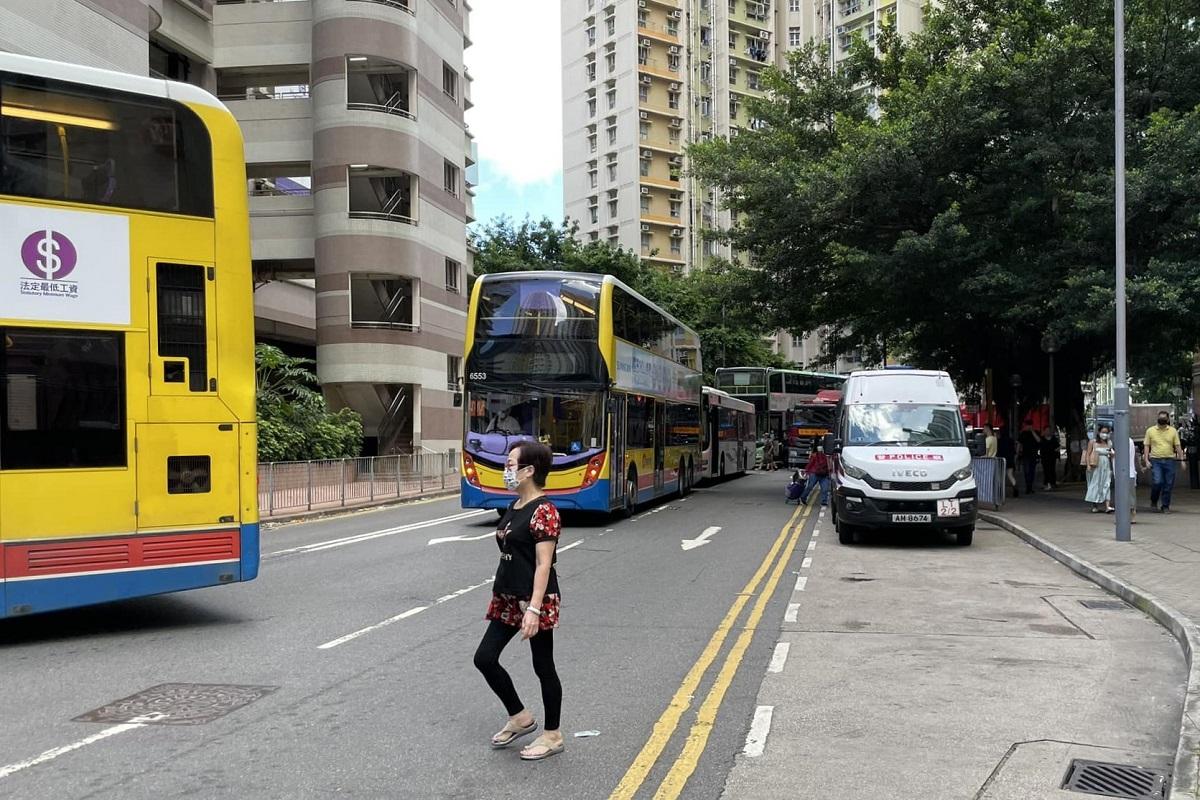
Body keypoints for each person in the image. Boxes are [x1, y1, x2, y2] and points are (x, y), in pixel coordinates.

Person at [473, 442, 565, 761]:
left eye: (511, 463)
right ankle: (521, 717)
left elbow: (543, 563)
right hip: (508, 596)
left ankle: (552, 735)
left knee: (543, 666)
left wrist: (535, 608)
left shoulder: (545, 511)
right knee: (484, 658)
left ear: (529, 471)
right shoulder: (515, 507)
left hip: (534, 599)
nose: (506, 469)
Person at [1143, 411, 1184, 513]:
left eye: (1164, 418)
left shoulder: (1173, 431)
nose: (1162, 420)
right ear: (1157, 418)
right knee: (1157, 481)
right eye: (1160, 418)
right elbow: (1147, 446)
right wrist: (1146, 460)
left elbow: (1177, 446)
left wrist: (1182, 459)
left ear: (1168, 420)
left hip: (1170, 460)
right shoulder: (1150, 431)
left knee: (1168, 484)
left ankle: (1165, 506)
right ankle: (1154, 500)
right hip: (1155, 460)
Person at [1083, 424, 1115, 513]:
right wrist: (1088, 465)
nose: (1105, 434)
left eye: (1106, 432)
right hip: (1095, 465)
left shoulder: (1109, 443)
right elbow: (1088, 454)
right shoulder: (1092, 442)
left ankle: (1107, 506)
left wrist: (1112, 455)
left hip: (1106, 466)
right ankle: (1095, 505)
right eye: (1103, 432)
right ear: (1099, 432)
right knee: (1095, 484)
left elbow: (1111, 454)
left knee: (1106, 484)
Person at [800, 440, 831, 506]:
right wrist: (806, 471)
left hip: (824, 474)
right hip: (814, 473)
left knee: (825, 489)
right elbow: (810, 464)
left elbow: (829, 465)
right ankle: (803, 498)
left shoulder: (827, 456)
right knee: (810, 486)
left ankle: (824, 502)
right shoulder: (815, 456)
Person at [1017, 421, 1041, 495]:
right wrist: (1017, 452)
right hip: (1025, 455)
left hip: (1033, 455)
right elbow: (1019, 443)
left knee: (1032, 471)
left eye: (1030, 426)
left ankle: (1030, 487)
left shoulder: (1035, 432)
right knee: (1026, 471)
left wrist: (1032, 431)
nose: (1028, 427)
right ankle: (1028, 487)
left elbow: (1039, 440)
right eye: (1027, 426)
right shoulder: (1023, 433)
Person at [997, 427, 1018, 497]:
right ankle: (1015, 488)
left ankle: (1000, 492)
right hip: (1010, 460)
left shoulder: (999, 441)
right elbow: (1014, 451)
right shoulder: (1011, 441)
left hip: (1001, 460)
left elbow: (998, 451)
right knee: (1010, 475)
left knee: (1001, 476)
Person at [1181, 412, 1199, 490]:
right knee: (1194, 469)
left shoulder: (1194, 430)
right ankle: (1195, 484)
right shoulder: (1194, 430)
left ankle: (1194, 484)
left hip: (1193, 451)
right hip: (1193, 451)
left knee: (1193, 469)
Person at [1039, 426, 1060, 490]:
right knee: (1046, 470)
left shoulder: (1053, 438)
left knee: (1052, 470)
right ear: (1044, 431)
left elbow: (1058, 446)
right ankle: (1047, 483)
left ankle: (1052, 483)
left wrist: (1056, 450)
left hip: (1052, 457)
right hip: (1044, 457)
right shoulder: (1042, 439)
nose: (1048, 432)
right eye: (1047, 430)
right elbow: (1039, 445)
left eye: (1049, 430)